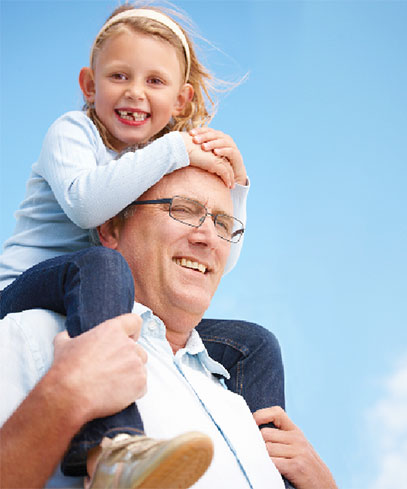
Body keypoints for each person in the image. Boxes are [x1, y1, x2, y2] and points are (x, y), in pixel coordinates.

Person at [0, 3, 284, 483]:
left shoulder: (151, 157)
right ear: (89, 86)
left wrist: (237, 185)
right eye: (119, 76)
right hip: (26, 291)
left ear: (180, 99)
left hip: (100, 295)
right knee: (102, 267)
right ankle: (113, 446)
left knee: (254, 343)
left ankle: (272, 469)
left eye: (155, 81)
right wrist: (175, 148)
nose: (134, 92)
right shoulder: (73, 132)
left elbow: (219, 253)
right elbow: (88, 207)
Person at [0, 165, 337, 489]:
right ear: (111, 228)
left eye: (223, 223)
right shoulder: (37, 337)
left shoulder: (237, 398)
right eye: (184, 210)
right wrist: (63, 395)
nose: (208, 237)